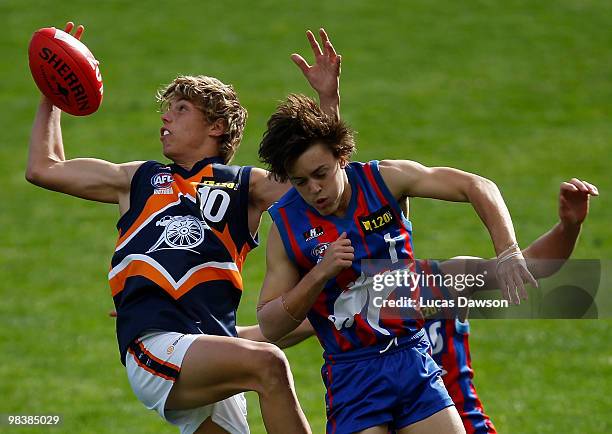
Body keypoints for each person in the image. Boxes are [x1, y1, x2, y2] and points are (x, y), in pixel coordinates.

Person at [26, 21, 342, 434]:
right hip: (157, 346)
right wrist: (54, 95)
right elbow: (43, 168)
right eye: (167, 109)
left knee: (263, 361)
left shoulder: (246, 185)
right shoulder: (137, 178)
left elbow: (324, 184)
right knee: (268, 365)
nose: (165, 117)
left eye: (181, 109)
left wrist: (327, 99)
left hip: (210, 351)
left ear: (216, 127)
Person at [255, 94, 539, 434]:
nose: (315, 190)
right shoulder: (286, 226)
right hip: (353, 375)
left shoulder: (386, 180)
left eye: (321, 174)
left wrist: (508, 250)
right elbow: (270, 325)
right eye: (301, 182)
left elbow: (476, 185)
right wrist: (318, 274)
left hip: (412, 357)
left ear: (341, 157)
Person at [241, 177, 597, 434]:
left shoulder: (435, 284)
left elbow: (531, 265)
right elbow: (262, 333)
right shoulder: (353, 309)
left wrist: (569, 226)